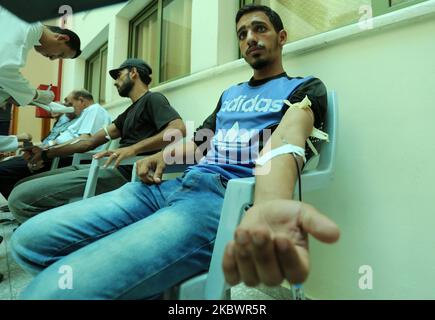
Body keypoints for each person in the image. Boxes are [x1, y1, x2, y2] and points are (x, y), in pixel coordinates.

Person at [10, 5, 338, 299]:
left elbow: (287, 144)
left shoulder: (303, 87)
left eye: (259, 29)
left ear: (281, 37)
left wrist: (267, 211)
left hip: (216, 203)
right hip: (168, 187)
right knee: (27, 242)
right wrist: (159, 158)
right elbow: (199, 142)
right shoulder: (231, 93)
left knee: (49, 293)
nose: (250, 37)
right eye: (242, 34)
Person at [8, 59, 185, 223]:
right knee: (21, 184)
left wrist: (132, 150)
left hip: (123, 172)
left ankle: (54, 242)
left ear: (133, 73)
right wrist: (46, 153)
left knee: (19, 199)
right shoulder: (129, 112)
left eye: (118, 75)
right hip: (103, 166)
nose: (115, 82)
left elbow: (178, 129)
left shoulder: (153, 99)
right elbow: (89, 142)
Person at [0, 5, 81, 162]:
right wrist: (36, 95)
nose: (52, 59)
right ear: (61, 38)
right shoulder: (28, 25)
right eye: (60, 54)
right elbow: (4, 69)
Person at [0, 90, 111, 200]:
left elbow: (83, 140)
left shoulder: (94, 110)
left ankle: (23, 205)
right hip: (56, 154)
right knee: (8, 169)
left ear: (81, 101)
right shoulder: (81, 117)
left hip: (65, 157)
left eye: (69, 103)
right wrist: (44, 148)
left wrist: (47, 152)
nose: (66, 106)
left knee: (3, 171)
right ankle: (20, 204)